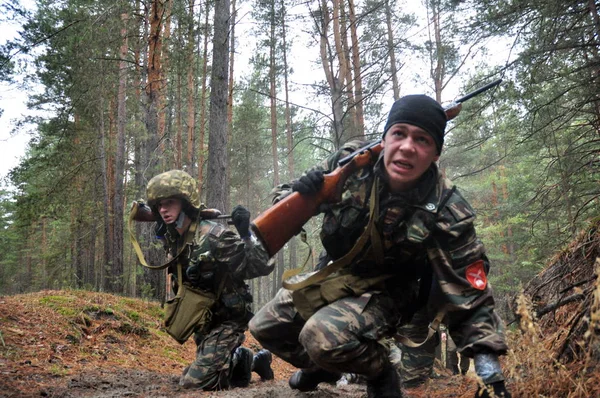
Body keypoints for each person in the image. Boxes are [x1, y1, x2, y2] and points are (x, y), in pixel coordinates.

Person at [249, 94, 511, 397]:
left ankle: (380, 372)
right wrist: (304, 191)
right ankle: (325, 366)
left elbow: (470, 291)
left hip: (390, 294)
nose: (407, 147)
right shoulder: (351, 164)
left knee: (319, 336)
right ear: (384, 139)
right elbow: (283, 202)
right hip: (335, 276)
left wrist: (489, 372)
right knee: (265, 325)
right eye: (399, 133)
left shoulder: (446, 207)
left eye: (422, 140)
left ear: (436, 154)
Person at [145, 169, 275, 390]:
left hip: (228, 319)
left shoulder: (213, 236)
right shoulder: (175, 236)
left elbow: (261, 266)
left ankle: (244, 359)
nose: (163, 209)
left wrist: (246, 234)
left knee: (193, 382)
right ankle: (249, 360)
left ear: (186, 203)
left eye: (169, 202)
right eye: (159, 206)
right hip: (205, 321)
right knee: (219, 373)